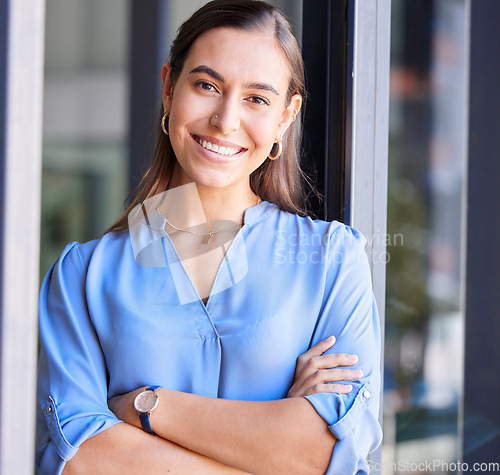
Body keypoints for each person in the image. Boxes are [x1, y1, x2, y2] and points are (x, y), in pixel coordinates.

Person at [36, 1, 382, 473]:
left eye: (257, 98)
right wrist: (274, 445)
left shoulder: (332, 261)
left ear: (285, 116)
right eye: (206, 85)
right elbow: (81, 460)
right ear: (168, 88)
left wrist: (146, 407)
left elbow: (330, 450)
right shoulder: (82, 276)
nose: (225, 119)